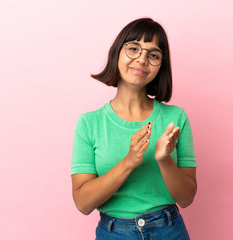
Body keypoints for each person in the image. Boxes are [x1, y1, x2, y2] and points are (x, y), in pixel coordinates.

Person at [71, 17, 197, 240]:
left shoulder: (176, 117)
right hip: (114, 233)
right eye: (133, 48)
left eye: (153, 55)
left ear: (161, 67)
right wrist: (130, 161)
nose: (142, 59)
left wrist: (164, 159)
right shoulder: (89, 123)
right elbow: (83, 203)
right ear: (117, 53)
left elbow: (186, 198)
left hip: (170, 230)